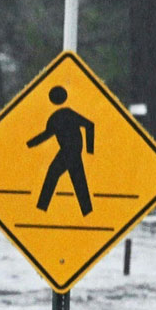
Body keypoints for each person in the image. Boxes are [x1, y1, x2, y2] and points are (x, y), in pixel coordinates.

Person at [28, 86, 94, 215]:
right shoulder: (60, 116)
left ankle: (41, 209)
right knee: (78, 180)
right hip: (71, 150)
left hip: (70, 151)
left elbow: (90, 125)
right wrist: (28, 145)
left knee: (54, 174)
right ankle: (87, 212)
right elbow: (46, 135)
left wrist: (90, 151)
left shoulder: (61, 115)